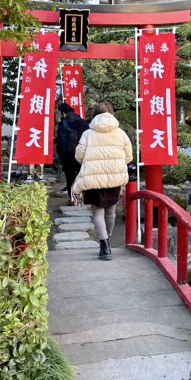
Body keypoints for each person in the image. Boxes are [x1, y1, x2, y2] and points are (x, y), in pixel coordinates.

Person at [71, 101, 133, 261]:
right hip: (114, 178)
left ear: (95, 116)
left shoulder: (87, 133)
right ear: (112, 114)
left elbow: (79, 156)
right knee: (111, 211)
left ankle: (104, 245)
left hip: (93, 179)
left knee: (97, 212)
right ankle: (108, 240)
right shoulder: (121, 133)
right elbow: (129, 156)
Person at [56, 103, 89, 199]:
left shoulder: (62, 124)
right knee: (81, 176)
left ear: (63, 113)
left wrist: (60, 155)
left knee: (70, 178)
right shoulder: (83, 122)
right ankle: (82, 198)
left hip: (67, 156)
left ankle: (73, 199)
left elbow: (60, 142)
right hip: (81, 155)